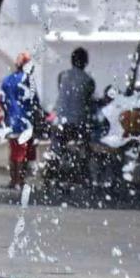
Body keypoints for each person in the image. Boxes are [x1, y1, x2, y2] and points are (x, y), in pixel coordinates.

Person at [53, 47, 96, 185]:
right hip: (78, 123)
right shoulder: (88, 80)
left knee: (59, 148)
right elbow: (88, 101)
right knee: (85, 146)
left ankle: (55, 169)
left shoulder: (62, 75)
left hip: (60, 121)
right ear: (85, 62)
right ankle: (85, 173)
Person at [0, 52, 40, 189]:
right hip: (25, 121)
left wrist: (8, 115)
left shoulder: (7, 81)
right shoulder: (29, 81)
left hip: (11, 121)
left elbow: (2, 101)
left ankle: (13, 180)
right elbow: (35, 102)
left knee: (14, 151)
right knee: (23, 152)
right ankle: (20, 180)